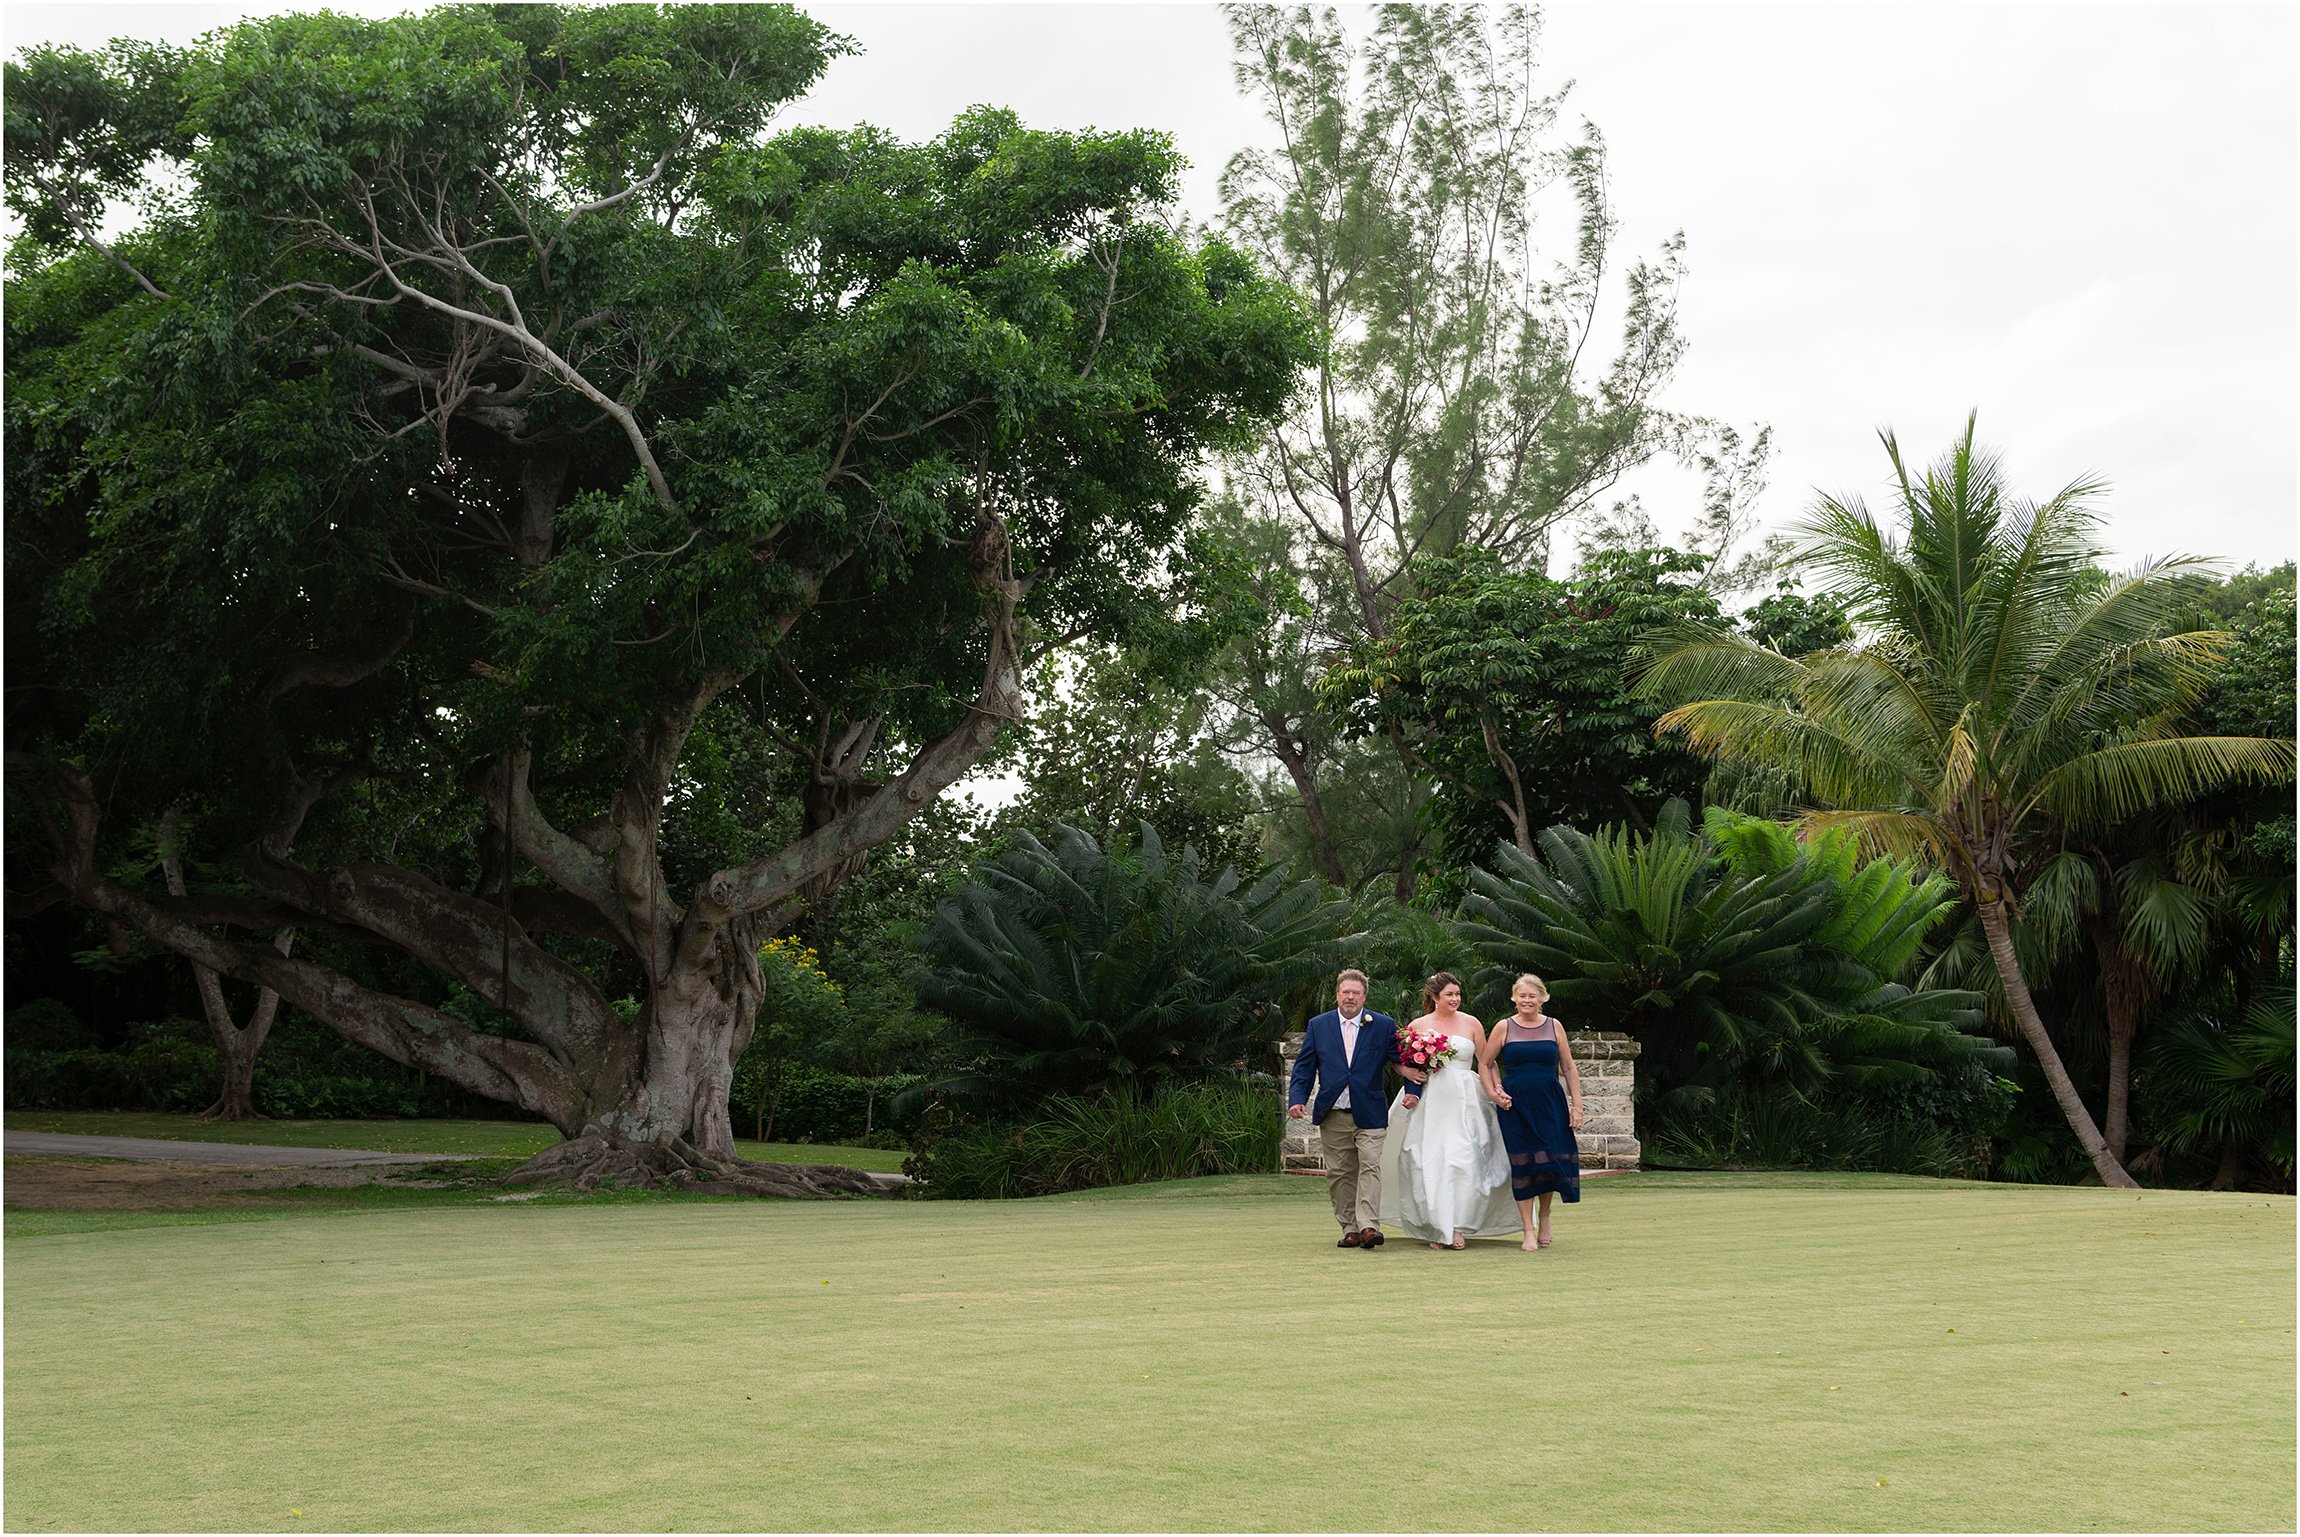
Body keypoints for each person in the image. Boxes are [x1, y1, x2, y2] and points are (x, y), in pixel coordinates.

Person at [1287, 969, 1426, 1248]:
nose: (1350, 997)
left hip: (1371, 1112)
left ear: (1364, 996)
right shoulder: (1319, 1025)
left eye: (1356, 993)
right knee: (1340, 1173)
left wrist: (1413, 1091)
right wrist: (1297, 1099)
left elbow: (1405, 1060)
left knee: (1370, 1166)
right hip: (1334, 1112)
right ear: (1337, 994)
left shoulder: (1383, 1025)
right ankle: (1349, 1227)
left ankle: (1368, 1226)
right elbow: (1304, 1068)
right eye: (1345, 992)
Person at [1378, 972, 1517, 1249]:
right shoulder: (1418, 1025)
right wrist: (1407, 1076)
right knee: (1425, 1161)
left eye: (1457, 994)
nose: (1455, 999)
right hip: (1431, 1101)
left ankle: (1455, 1225)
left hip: (1466, 1099)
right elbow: (1401, 1060)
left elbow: (1486, 1062)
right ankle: (1437, 1228)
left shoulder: (1471, 1023)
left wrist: (1496, 1089)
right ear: (1434, 997)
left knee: (1463, 1159)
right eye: (1449, 995)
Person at [1478, 973, 1583, 1251]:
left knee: (1548, 1161)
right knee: (1523, 1164)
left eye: (1532, 996)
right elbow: (1485, 1063)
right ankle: (1527, 1229)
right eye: (1522, 996)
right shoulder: (1504, 1027)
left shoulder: (1554, 1026)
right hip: (1515, 1105)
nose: (1527, 1000)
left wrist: (1577, 1106)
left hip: (1550, 1103)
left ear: (1542, 998)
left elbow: (1569, 1068)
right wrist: (1494, 1093)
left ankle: (1545, 1216)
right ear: (1514, 998)